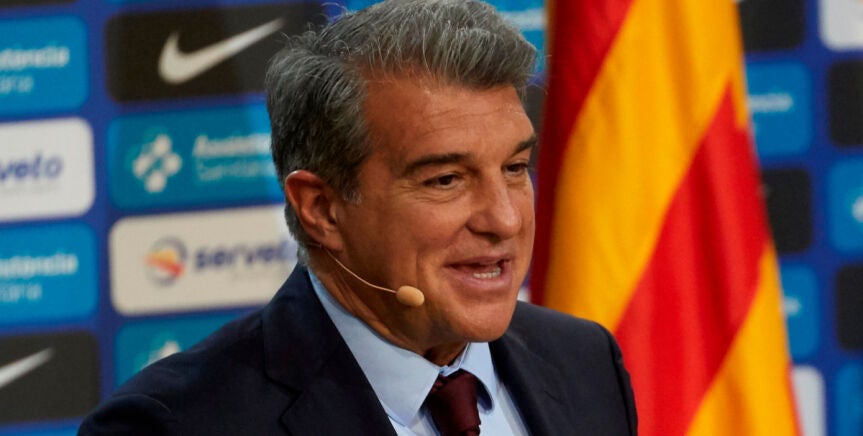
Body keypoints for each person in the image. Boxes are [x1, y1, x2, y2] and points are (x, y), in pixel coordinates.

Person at [79, 1, 637, 434]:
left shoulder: (585, 362)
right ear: (322, 209)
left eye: (514, 168)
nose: (506, 219)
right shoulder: (175, 425)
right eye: (446, 180)